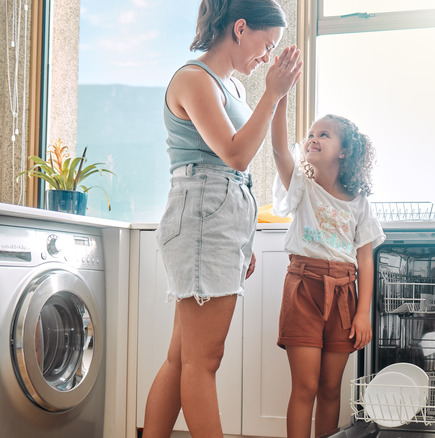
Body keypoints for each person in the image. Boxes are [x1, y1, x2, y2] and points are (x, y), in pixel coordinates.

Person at [143, 0, 302, 437]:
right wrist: (273, 91)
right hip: (200, 220)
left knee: (182, 359)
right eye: (265, 45)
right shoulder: (194, 79)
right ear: (239, 28)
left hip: (218, 221)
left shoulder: (233, 88)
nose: (267, 57)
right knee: (202, 361)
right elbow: (234, 153)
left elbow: (240, 169)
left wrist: (244, 239)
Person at [271, 103, 385, 437]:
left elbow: (366, 259)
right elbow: (279, 148)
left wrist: (362, 313)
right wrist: (279, 99)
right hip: (304, 288)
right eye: (310, 134)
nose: (313, 139)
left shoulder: (360, 203)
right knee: (305, 386)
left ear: (345, 152)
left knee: (331, 388)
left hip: (344, 296)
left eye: (324, 134)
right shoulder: (301, 186)